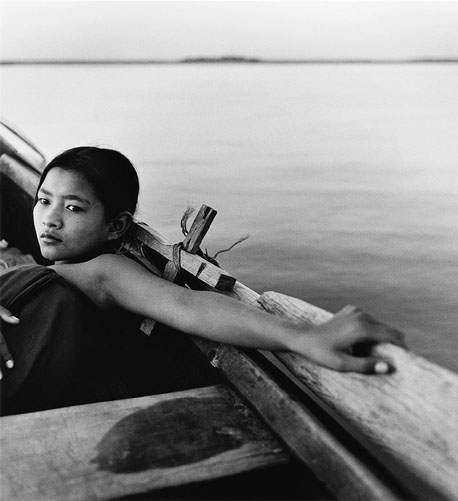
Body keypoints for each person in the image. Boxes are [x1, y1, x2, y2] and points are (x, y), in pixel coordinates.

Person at [0, 146, 405, 414]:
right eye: (43, 200)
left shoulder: (102, 273)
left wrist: (304, 336)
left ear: (116, 226)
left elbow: (187, 304)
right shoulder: (58, 274)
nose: (50, 219)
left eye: (73, 208)